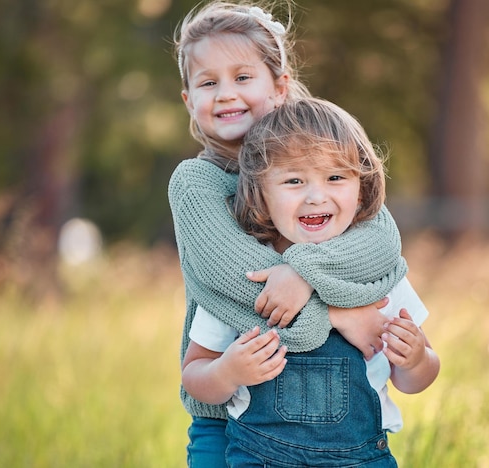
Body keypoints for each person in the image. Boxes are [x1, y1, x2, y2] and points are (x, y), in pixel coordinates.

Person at [169, 2, 412, 467]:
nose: (225, 94)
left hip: (333, 427)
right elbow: (241, 281)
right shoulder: (195, 183)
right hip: (226, 404)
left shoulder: (316, 160)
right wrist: (340, 313)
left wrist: (303, 271)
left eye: (243, 78)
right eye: (208, 83)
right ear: (189, 100)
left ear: (279, 87)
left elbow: (381, 239)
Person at [182, 98, 440, 467]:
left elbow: (415, 379)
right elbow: (194, 373)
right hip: (260, 459)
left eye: (335, 177)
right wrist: (227, 372)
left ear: (361, 189)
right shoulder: (246, 277)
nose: (316, 195)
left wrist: (415, 359)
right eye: (294, 181)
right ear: (260, 195)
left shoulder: (376, 274)